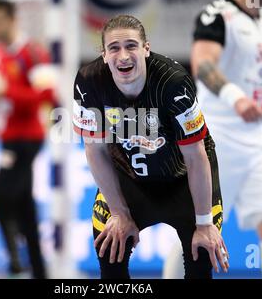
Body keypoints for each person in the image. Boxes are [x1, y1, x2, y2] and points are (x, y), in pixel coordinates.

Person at [73, 14, 229, 279]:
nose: (123, 56)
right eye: (114, 48)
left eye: (131, 46)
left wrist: (204, 224)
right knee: (110, 249)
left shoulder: (174, 83)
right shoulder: (89, 83)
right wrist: (120, 213)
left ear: (146, 49)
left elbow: (195, 156)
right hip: (129, 178)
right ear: (103, 55)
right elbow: (95, 150)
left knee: (202, 253)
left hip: (182, 179)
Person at [164, 0, 262, 279]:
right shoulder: (218, 15)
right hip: (217, 142)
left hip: (260, 145)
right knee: (197, 228)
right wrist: (235, 98)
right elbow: (203, 64)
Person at [0, 0, 56, 278]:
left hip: (27, 138)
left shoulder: (32, 52)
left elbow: (47, 96)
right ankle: (38, 269)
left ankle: (15, 261)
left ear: (12, 20)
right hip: (8, 137)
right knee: (24, 208)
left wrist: (5, 93)